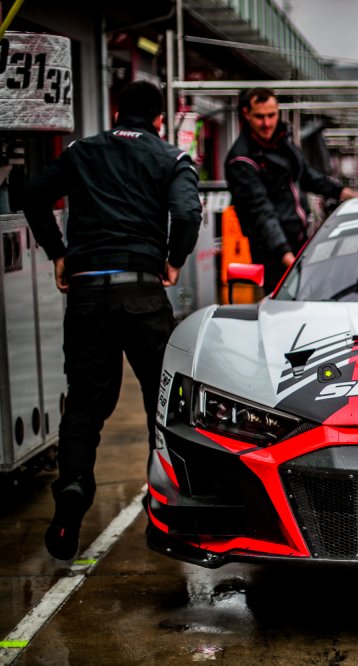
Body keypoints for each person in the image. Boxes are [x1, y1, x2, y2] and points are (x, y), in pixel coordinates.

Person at [23, 80, 202, 560]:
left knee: (84, 404)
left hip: (87, 295)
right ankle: (162, 498)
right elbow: (188, 212)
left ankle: (74, 489)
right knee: (161, 402)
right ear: (159, 120)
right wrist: (174, 260)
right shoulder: (171, 158)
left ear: (116, 113)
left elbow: (32, 194)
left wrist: (59, 254)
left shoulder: (82, 151)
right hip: (143, 292)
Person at [225, 87, 358, 293]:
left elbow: (307, 175)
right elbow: (261, 212)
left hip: (300, 241)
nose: (267, 123)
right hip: (273, 251)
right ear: (246, 114)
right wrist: (285, 255)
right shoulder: (242, 160)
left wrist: (345, 193)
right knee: (285, 300)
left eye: (271, 115)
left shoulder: (283, 141)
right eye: (260, 117)